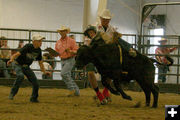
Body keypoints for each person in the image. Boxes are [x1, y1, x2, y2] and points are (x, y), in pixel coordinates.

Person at [7, 34, 50, 102]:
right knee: (20, 76)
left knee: (36, 83)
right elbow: (16, 54)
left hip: (26, 67)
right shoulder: (28, 46)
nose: (41, 42)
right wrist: (11, 60)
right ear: (34, 41)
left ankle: (33, 98)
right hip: (17, 64)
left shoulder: (38, 51)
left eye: (41, 41)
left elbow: (40, 63)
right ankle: (12, 94)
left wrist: (44, 72)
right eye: (39, 41)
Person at [55, 25, 80, 96]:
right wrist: (53, 53)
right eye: (61, 31)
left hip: (70, 59)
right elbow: (57, 52)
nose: (62, 32)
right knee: (67, 75)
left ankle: (71, 89)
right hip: (62, 60)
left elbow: (77, 51)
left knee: (63, 74)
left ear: (66, 32)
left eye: (64, 31)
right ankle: (77, 91)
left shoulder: (71, 41)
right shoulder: (58, 42)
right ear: (59, 32)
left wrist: (71, 51)